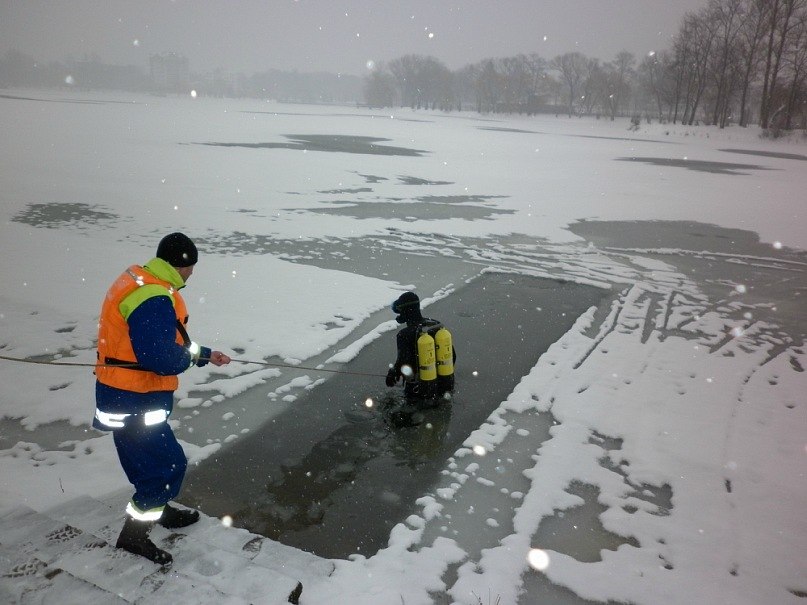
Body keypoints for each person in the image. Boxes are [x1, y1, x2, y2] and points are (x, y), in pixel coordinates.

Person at [93, 232, 231, 566]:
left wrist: (205, 354)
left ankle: (159, 508)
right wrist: (185, 360)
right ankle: (134, 536)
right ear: (182, 265)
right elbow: (161, 357)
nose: (192, 274)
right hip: (135, 397)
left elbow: (166, 342)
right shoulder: (153, 297)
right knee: (166, 466)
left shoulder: (140, 279)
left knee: (145, 463)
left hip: (120, 392)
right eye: (191, 267)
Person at [385, 291, 455, 407]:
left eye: (400, 310)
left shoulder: (404, 334)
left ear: (405, 310)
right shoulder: (435, 325)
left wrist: (392, 373)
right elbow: (452, 355)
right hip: (444, 386)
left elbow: (403, 362)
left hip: (418, 392)